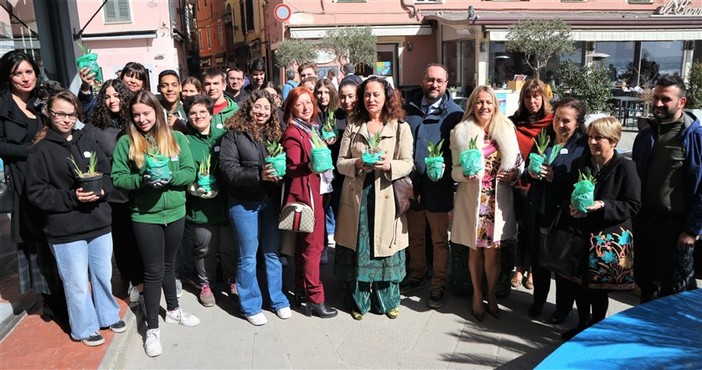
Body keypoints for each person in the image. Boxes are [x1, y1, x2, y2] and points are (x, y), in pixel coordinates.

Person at [25, 90, 125, 346]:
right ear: (49, 113)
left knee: (102, 274)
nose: (67, 119)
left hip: (98, 222)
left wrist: (103, 189)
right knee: (77, 282)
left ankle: (107, 314)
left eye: (72, 114)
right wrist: (72, 198)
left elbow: (106, 172)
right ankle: (84, 327)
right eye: (60, 114)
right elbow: (36, 192)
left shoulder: (87, 139)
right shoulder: (40, 150)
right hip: (66, 228)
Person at [111, 91, 199, 357]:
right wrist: (141, 181)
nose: (141, 119)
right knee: (152, 271)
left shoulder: (177, 138)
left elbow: (189, 171)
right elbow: (118, 178)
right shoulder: (127, 142)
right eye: (136, 114)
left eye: (146, 113)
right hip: (145, 215)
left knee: (170, 265)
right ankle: (152, 328)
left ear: (157, 112)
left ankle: (172, 310)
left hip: (175, 212)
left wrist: (170, 178)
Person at [335, 76, 413, 320]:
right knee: (360, 247)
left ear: (386, 96)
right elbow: (340, 163)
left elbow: (409, 163)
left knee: (385, 248)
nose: (371, 99)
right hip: (358, 198)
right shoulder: (353, 125)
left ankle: (387, 301)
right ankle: (359, 302)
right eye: (367, 94)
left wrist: (389, 164)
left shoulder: (400, 126)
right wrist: (358, 164)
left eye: (376, 94)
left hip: (386, 197)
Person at [0, 50, 66, 322]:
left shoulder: (44, 101)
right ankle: (50, 299)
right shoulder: (2, 105)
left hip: (53, 178)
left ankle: (66, 293)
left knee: (59, 237)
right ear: (8, 76)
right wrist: (33, 151)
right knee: (37, 241)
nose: (25, 78)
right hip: (24, 184)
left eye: (29, 71)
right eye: (18, 73)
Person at [561, 116, 641, 340]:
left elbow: (633, 204)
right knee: (579, 285)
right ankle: (581, 324)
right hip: (582, 234)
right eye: (591, 137)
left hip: (608, 239)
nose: (592, 142)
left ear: (613, 141)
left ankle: (596, 329)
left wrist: (603, 205)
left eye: (599, 138)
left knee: (598, 289)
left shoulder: (626, 167)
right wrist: (574, 208)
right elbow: (574, 193)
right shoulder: (582, 163)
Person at [450, 86, 522, 321]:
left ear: (495, 105)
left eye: (488, 102)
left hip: (498, 200)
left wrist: (514, 175)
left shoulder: (506, 128)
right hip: (474, 199)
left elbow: (518, 162)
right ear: (472, 105)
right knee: (475, 250)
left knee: (494, 252)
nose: (484, 107)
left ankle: (490, 295)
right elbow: (454, 171)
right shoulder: (461, 131)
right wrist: (465, 175)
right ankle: (476, 293)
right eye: (479, 102)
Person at [220, 90, 291, 325]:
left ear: (272, 113)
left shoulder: (275, 134)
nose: (261, 112)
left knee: (272, 253)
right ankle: (250, 305)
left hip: (270, 203)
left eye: (266, 109)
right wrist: (259, 175)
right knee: (248, 257)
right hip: (243, 203)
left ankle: (278, 300)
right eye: (257, 107)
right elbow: (229, 171)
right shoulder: (234, 134)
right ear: (249, 108)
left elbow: (284, 162)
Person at [632, 75, 702, 303]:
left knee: (676, 294)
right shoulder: (645, 135)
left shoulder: (694, 137)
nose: (658, 104)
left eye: (666, 99)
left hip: (675, 229)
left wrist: (692, 229)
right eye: (656, 98)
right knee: (646, 287)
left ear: (682, 102)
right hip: (644, 225)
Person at [402, 63, 463, 309]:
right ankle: (416, 274)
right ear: (422, 80)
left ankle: (438, 282)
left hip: (439, 186)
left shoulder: (454, 114)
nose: (434, 84)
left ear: (446, 84)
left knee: (439, 239)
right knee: (416, 236)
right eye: (430, 79)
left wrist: (448, 166)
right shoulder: (409, 109)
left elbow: (459, 149)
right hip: (413, 184)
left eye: (439, 81)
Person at [522, 98, 587, 323]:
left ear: (578, 123)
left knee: (561, 265)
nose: (560, 124)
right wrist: (529, 174)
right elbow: (526, 172)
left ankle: (562, 309)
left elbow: (583, 183)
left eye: (566, 121)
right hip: (537, 210)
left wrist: (554, 177)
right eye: (557, 119)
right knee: (539, 262)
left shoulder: (583, 146)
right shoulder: (545, 138)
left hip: (562, 216)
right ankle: (538, 301)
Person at [82, 79, 144, 304]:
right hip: (115, 195)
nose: (112, 101)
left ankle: (145, 279)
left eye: (117, 96)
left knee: (143, 240)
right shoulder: (96, 128)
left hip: (141, 190)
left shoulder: (136, 121)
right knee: (124, 241)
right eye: (107, 97)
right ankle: (133, 281)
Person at [281, 87, 338, 318]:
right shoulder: (294, 133)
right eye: (299, 104)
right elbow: (293, 168)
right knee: (312, 249)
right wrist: (310, 167)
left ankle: (301, 291)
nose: (305, 108)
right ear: (291, 108)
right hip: (307, 199)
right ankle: (316, 298)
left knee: (303, 247)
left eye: (308, 103)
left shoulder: (313, 128)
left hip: (319, 194)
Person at [182, 94, 235, 307]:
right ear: (187, 116)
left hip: (225, 204)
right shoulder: (185, 141)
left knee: (229, 248)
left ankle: (232, 280)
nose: (198, 116)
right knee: (204, 249)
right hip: (200, 207)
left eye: (203, 112)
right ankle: (206, 285)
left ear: (211, 114)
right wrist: (192, 186)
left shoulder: (224, 136)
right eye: (193, 113)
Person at [510, 79, 554, 292]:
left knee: (534, 230)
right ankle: (518, 267)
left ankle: (532, 271)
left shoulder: (551, 122)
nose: (532, 101)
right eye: (527, 96)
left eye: (536, 96)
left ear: (544, 98)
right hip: (516, 182)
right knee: (518, 228)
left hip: (538, 186)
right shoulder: (515, 121)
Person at [313, 78, 340, 265]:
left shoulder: (339, 114)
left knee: (339, 210)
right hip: (320, 172)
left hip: (339, 171)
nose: (323, 96)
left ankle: (340, 248)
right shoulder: (313, 115)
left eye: (326, 92)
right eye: (319, 92)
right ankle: (322, 247)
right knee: (321, 211)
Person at [79, 62, 150, 117]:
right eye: (129, 76)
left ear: (143, 84)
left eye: (138, 78)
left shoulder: (147, 102)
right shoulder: (109, 97)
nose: (133, 81)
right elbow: (87, 113)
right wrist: (86, 87)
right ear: (121, 77)